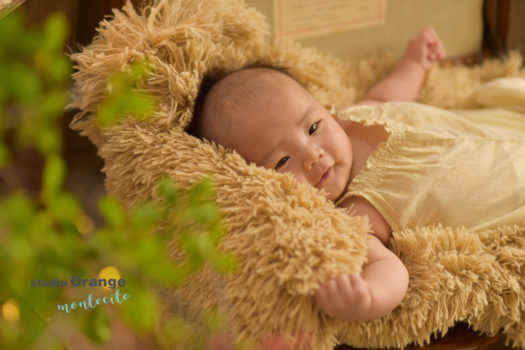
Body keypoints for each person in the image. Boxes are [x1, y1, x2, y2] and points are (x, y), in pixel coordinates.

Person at [190, 28, 449, 321]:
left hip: (483, 126)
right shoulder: (351, 218)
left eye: (313, 128)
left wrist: (414, 64)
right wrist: (368, 297)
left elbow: (392, 94)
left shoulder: (353, 119)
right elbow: (390, 270)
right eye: (282, 161)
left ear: (324, 110)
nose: (313, 155)